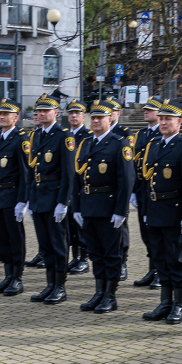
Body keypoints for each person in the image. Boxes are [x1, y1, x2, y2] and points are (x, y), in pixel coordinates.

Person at [73, 103, 135, 313]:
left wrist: (121, 211)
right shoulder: (86, 143)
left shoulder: (119, 144)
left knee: (111, 254)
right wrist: (77, 207)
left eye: (101, 118)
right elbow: (78, 178)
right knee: (95, 253)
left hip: (109, 208)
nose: (96, 121)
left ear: (111, 120)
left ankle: (110, 294)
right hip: (89, 206)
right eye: (94, 117)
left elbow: (126, 180)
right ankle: (99, 292)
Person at [140, 101, 182, 324]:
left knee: (177, 259)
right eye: (161, 119)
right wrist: (146, 209)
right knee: (160, 258)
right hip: (155, 210)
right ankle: (165, 302)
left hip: (175, 213)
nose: (163, 123)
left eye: (168, 119)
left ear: (179, 122)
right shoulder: (155, 145)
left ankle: (178, 304)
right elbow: (149, 181)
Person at [27, 93, 75, 304]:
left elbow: (68, 172)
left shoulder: (64, 136)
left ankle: (60, 286)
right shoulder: (37, 135)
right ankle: (49, 284)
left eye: (47, 110)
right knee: (45, 245)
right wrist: (30, 198)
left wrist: (63, 202)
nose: (42, 114)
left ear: (56, 112)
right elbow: (33, 170)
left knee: (58, 244)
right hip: (39, 196)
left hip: (55, 196)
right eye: (40, 111)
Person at [0, 99, 31, 295]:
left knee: (15, 238)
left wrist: (22, 201)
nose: (2, 117)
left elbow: (25, 173)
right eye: (0, 114)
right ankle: (7, 275)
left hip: (12, 196)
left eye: (7, 114)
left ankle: (17, 278)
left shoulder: (21, 138)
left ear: (16, 117)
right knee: (1, 238)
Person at [131, 98, 163, 289]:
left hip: (157, 189)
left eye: (150, 110)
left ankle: (160, 270)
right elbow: (135, 164)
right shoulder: (140, 134)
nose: (146, 112)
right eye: (145, 109)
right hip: (142, 188)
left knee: (157, 233)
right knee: (146, 232)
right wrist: (134, 190)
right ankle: (152, 269)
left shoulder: (163, 132)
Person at [107, 98, 135, 280]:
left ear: (118, 113)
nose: (110, 114)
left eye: (113, 111)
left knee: (121, 228)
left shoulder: (124, 133)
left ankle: (122, 262)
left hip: (118, 189)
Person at [65, 101, 92, 274]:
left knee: (80, 225)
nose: (74, 116)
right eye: (71, 113)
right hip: (67, 186)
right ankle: (75, 257)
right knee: (70, 225)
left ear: (83, 116)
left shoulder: (88, 135)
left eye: (77, 113)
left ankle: (83, 258)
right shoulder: (65, 135)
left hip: (82, 186)